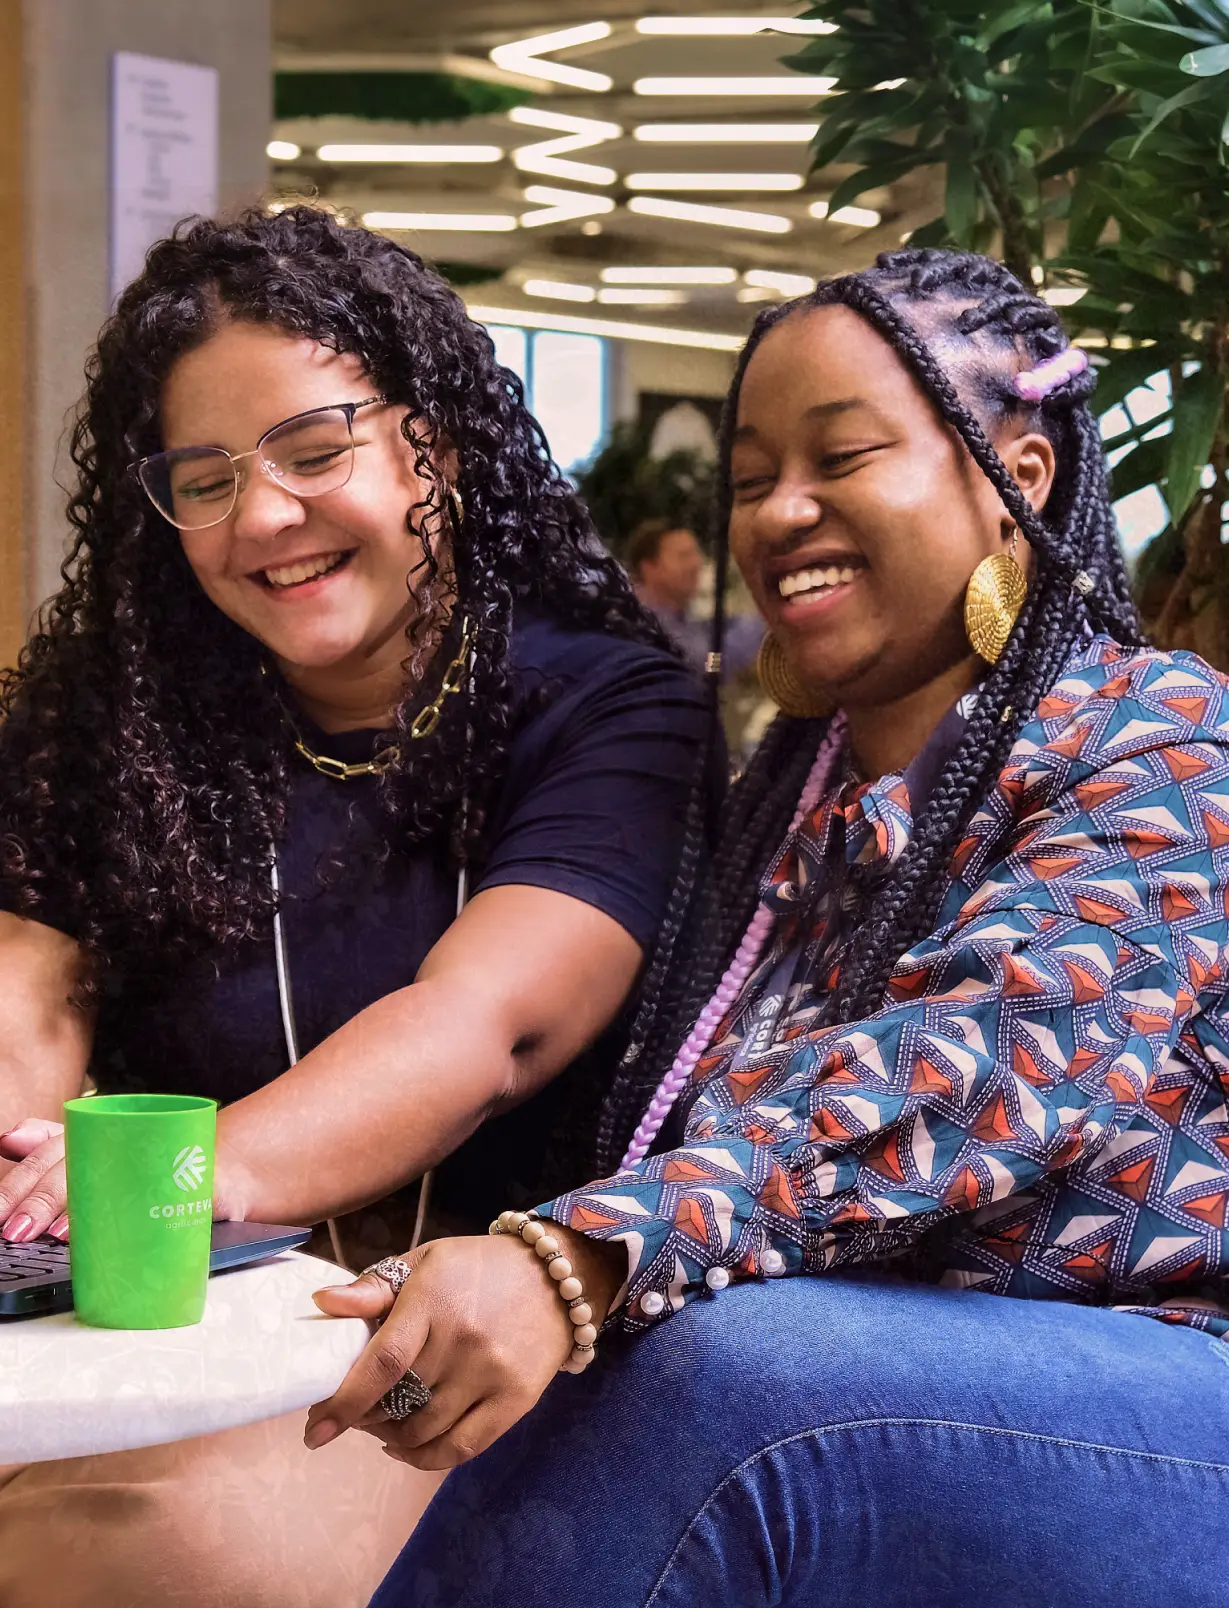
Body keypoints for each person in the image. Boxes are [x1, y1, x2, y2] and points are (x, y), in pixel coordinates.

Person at [307, 249, 1229, 1607]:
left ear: (1016, 479)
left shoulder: (1161, 745)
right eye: (748, 480)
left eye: (841, 456)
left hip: (1160, 1394)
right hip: (899, 1405)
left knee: (735, 1375)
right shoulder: (788, 810)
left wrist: (578, 1254)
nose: (781, 510)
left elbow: (967, 1084)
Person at [0, 206, 717, 1608]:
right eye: (200, 480)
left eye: (314, 453)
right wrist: (23, 1160)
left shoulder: (609, 709)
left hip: (450, 1346)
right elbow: (30, 983)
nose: (263, 516)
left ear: (427, 448)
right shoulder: (117, 716)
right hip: (156, 1326)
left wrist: (169, 1184)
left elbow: (484, 1027)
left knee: (127, 1545)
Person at [628, 515, 762, 679]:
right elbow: (711, 663)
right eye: (684, 556)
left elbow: (706, 629)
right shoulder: (646, 626)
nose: (696, 564)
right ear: (649, 568)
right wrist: (765, 618)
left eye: (696, 553)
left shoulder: (672, 615)